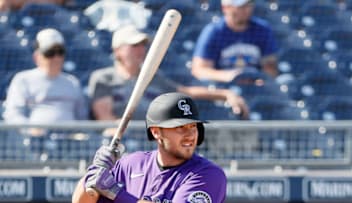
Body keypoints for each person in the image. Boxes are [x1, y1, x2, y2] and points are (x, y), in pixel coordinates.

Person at [72, 92, 227, 203]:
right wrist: (92, 174)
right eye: (180, 127)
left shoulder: (208, 174)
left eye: (193, 126)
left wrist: (117, 193)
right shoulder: (130, 165)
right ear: (156, 132)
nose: (190, 134)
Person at [88, 25, 249, 121]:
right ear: (118, 51)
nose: (141, 50)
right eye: (134, 45)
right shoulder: (104, 78)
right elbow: (106, 120)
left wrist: (225, 94)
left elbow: (185, 92)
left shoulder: (153, 76)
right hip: (121, 144)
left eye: (142, 45)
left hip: (151, 140)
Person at [2, 28, 88, 123]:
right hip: (34, 137)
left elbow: (82, 117)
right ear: (36, 56)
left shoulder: (72, 82)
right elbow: (13, 114)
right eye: (50, 53)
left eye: (60, 52)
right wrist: (30, 129)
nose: (56, 58)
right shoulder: (23, 79)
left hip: (70, 136)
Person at [191, 0, 278, 83]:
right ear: (225, 8)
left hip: (254, 88)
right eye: (240, 6)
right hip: (223, 87)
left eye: (248, 5)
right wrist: (228, 76)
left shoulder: (262, 30)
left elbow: (270, 67)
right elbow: (199, 70)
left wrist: (261, 80)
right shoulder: (214, 31)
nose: (246, 10)